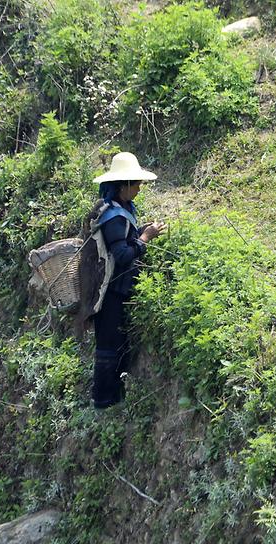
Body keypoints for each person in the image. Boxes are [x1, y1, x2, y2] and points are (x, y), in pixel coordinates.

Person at [90, 152, 166, 409]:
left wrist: (141, 231)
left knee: (117, 344)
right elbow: (122, 255)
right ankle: (102, 401)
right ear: (123, 186)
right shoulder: (116, 217)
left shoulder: (118, 210)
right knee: (108, 348)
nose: (139, 189)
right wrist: (145, 238)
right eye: (136, 184)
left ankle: (114, 398)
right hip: (111, 291)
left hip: (118, 290)